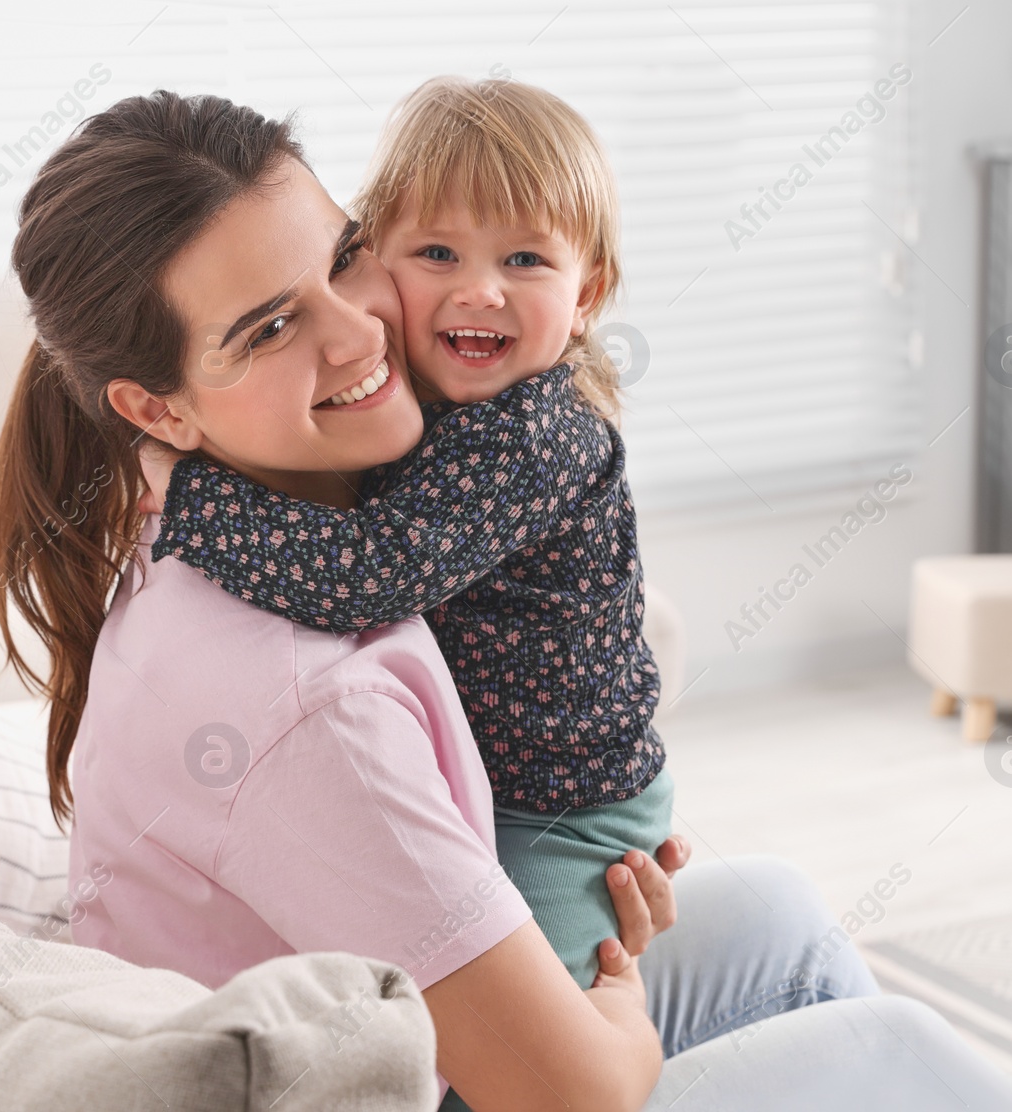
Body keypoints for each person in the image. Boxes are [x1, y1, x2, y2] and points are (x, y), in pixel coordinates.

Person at [0, 89, 1012, 1112]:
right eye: (267, 328)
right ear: (151, 407)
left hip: (409, 1025)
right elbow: (566, 1093)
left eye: (346, 257)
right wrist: (617, 1005)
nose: (356, 332)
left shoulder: (213, 517)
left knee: (780, 909)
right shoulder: (304, 699)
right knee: (887, 1051)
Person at [136, 76, 668, 994]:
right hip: (502, 798)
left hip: (561, 816)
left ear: (590, 294)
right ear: (378, 257)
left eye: (527, 262)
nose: (479, 291)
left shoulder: (529, 434)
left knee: (520, 1056)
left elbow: (369, 573)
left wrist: (189, 494)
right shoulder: (419, 402)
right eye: (436, 252)